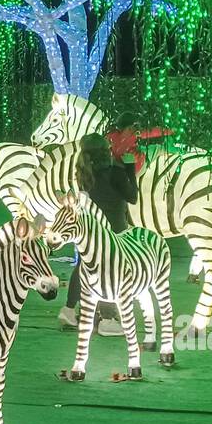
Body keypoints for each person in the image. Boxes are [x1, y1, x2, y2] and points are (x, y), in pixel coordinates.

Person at [57, 131, 139, 335]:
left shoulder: (84, 174)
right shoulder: (116, 173)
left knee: (85, 267)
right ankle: (107, 319)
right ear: (106, 151)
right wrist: (129, 168)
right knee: (109, 274)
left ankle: (69, 309)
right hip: (113, 231)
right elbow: (133, 197)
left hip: (91, 230)